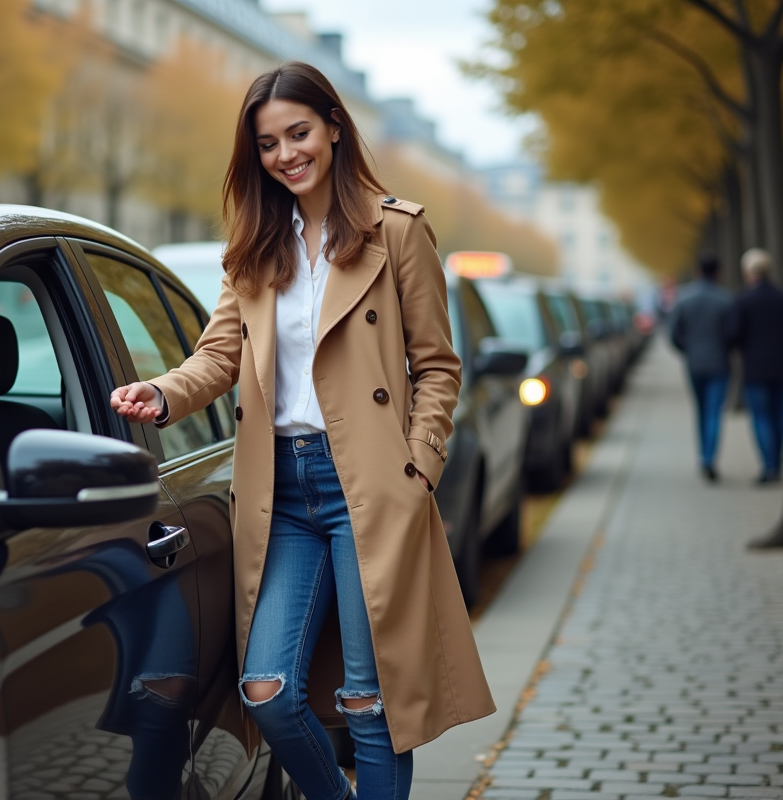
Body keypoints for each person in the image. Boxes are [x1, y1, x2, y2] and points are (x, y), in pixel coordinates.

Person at [109, 62, 494, 800]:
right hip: (281, 491)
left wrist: (418, 466)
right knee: (267, 692)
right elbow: (219, 356)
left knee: (368, 702)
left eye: (298, 133)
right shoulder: (255, 244)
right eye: (267, 143)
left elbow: (438, 367)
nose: (286, 153)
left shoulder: (397, 232)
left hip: (370, 485)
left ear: (333, 128)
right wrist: (160, 394)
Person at [669, 253, 734, 482]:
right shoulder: (726, 299)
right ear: (718, 272)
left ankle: (703, 457)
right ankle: (709, 458)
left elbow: (673, 333)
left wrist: (688, 350)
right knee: (714, 411)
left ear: (697, 271)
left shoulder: (684, 298)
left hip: (695, 364)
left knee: (701, 410)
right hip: (719, 364)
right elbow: (734, 333)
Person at [728, 248, 783, 484]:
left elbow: (733, 334)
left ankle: (769, 466)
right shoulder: (780, 297)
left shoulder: (743, 300)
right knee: (778, 416)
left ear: (749, 273)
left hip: (755, 369)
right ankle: (776, 462)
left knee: (761, 417)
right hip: (780, 368)